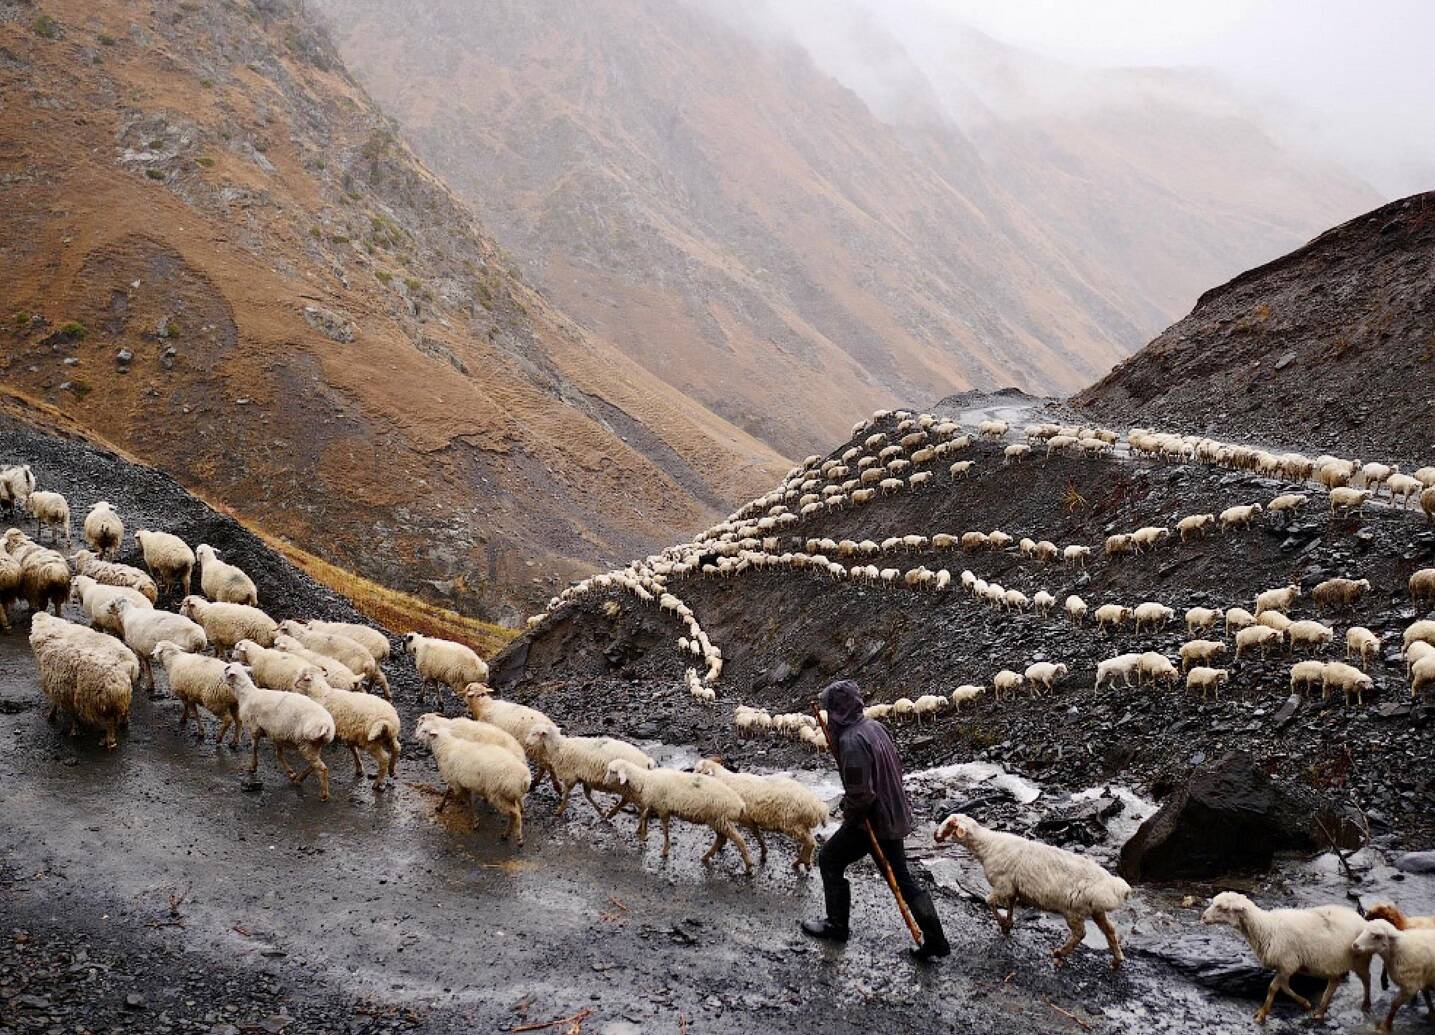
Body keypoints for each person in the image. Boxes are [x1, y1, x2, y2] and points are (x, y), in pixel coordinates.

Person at [800, 679, 950, 960]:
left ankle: (837, 925)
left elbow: (861, 795)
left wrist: (849, 812)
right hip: (893, 812)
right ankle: (936, 941)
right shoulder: (874, 727)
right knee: (903, 878)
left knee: (830, 859)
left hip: (873, 821)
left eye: (829, 709)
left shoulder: (851, 741)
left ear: (837, 710)